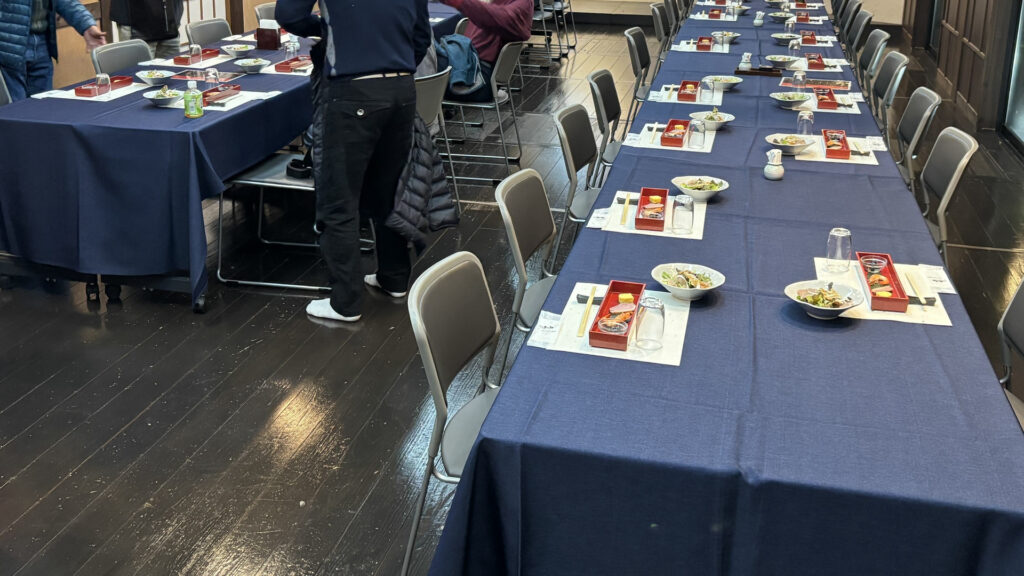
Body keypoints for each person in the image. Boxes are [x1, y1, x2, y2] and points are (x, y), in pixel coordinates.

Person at [276, 0, 431, 323]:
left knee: (339, 200)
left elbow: (288, 15)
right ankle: (394, 278)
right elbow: (421, 36)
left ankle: (345, 302)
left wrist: (325, 26)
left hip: (352, 89)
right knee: (391, 191)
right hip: (401, 87)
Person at [0, 0, 107, 101]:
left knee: (44, 104)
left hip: (43, 43)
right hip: (8, 45)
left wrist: (87, 25)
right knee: (16, 107)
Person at [437, 0, 532, 102]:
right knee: (428, 52)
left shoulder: (523, 3)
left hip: (479, 79)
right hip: (466, 66)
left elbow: (502, 18)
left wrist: (461, 2)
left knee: (428, 58)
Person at [110, 0, 184, 59]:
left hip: (169, 21)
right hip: (136, 24)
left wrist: (176, 15)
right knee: (139, 71)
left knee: (172, 69)